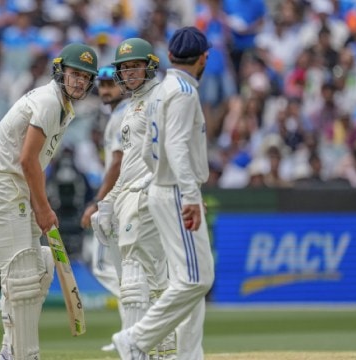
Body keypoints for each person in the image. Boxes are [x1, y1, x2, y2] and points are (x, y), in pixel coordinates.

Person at [0, 43, 98, 360]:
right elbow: (28, 160)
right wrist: (43, 207)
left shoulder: (63, 106)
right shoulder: (48, 101)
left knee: (38, 268)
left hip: (16, 186)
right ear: (61, 72)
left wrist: (38, 203)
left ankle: (9, 351)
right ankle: (25, 355)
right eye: (75, 74)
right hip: (3, 183)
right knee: (23, 275)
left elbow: (33, 163)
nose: (80, 82)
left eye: (86, 77)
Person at [112, 26, 215, 360]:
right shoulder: (183, 90)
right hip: (175, 190)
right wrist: (187, 194)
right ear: (204, 58)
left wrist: (157, 179)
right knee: (195, 280)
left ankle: (187, 354)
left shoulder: (160, 91)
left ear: (169, 57)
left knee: (192, 281)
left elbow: (145, 149)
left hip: (163, 187)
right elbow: (176, 146)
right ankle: (136, 339)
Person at [95, 38, 174, 359]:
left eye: (134, 67)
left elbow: (167, 153)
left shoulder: (158, 99)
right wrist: (108, 203)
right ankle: (164, 350)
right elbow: (127, 164)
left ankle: (136, 350)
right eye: (123, 68)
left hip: (146, 197)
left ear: (149, 66)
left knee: (133, 274)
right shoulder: (133, 107)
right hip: (131, 196)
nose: (127, 73)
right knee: (156, 281)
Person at [79, 65, 128, 352]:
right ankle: (132, 332)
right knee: (126, 272)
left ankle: (136, 330)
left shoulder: (122, 116)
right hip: (122, 199)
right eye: (103, 85)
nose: (106, 90)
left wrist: (98, 201)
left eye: (112, 84)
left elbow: (118, 164)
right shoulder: (119, 116)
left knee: (104, 265)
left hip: (119, 202)